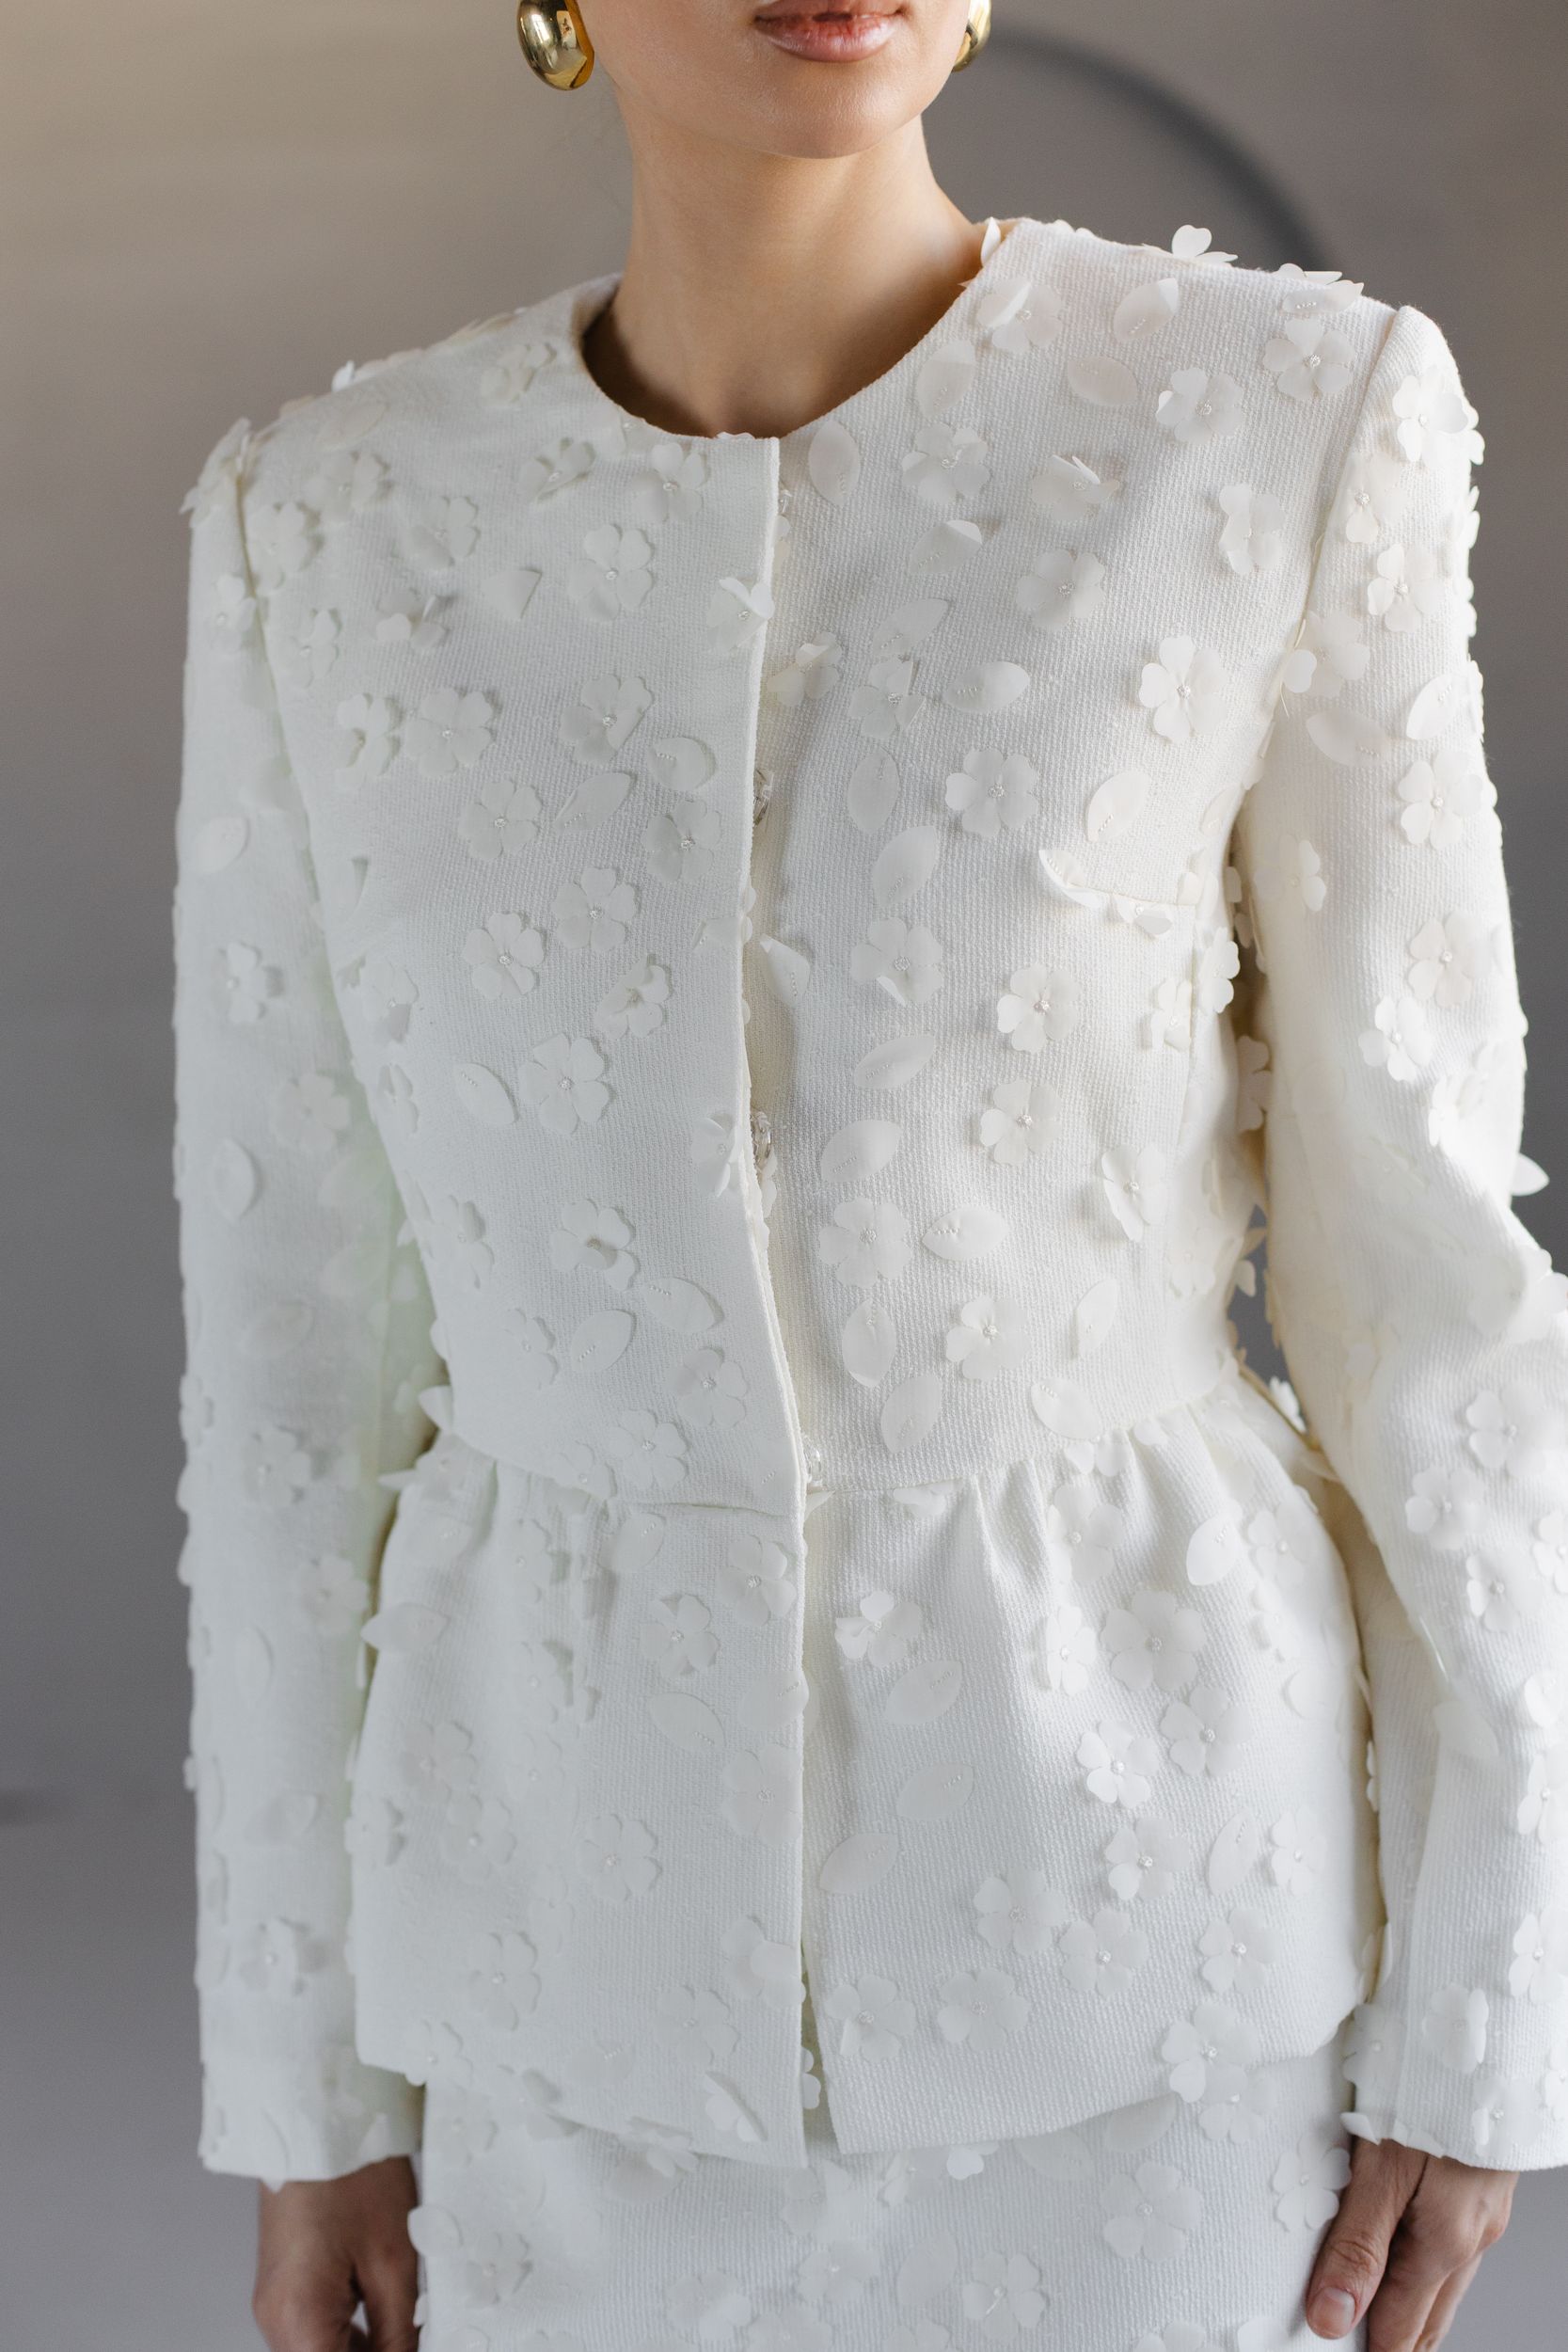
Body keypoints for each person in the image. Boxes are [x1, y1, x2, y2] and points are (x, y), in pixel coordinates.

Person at [169, 3, 1563, 2345]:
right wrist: (303, 2083)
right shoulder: (324, 523)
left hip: (1158, 1973)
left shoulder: (1278, 418)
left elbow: (1430, 1290)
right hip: (559, 1999)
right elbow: (291, 1366)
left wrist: (1494, 1996)